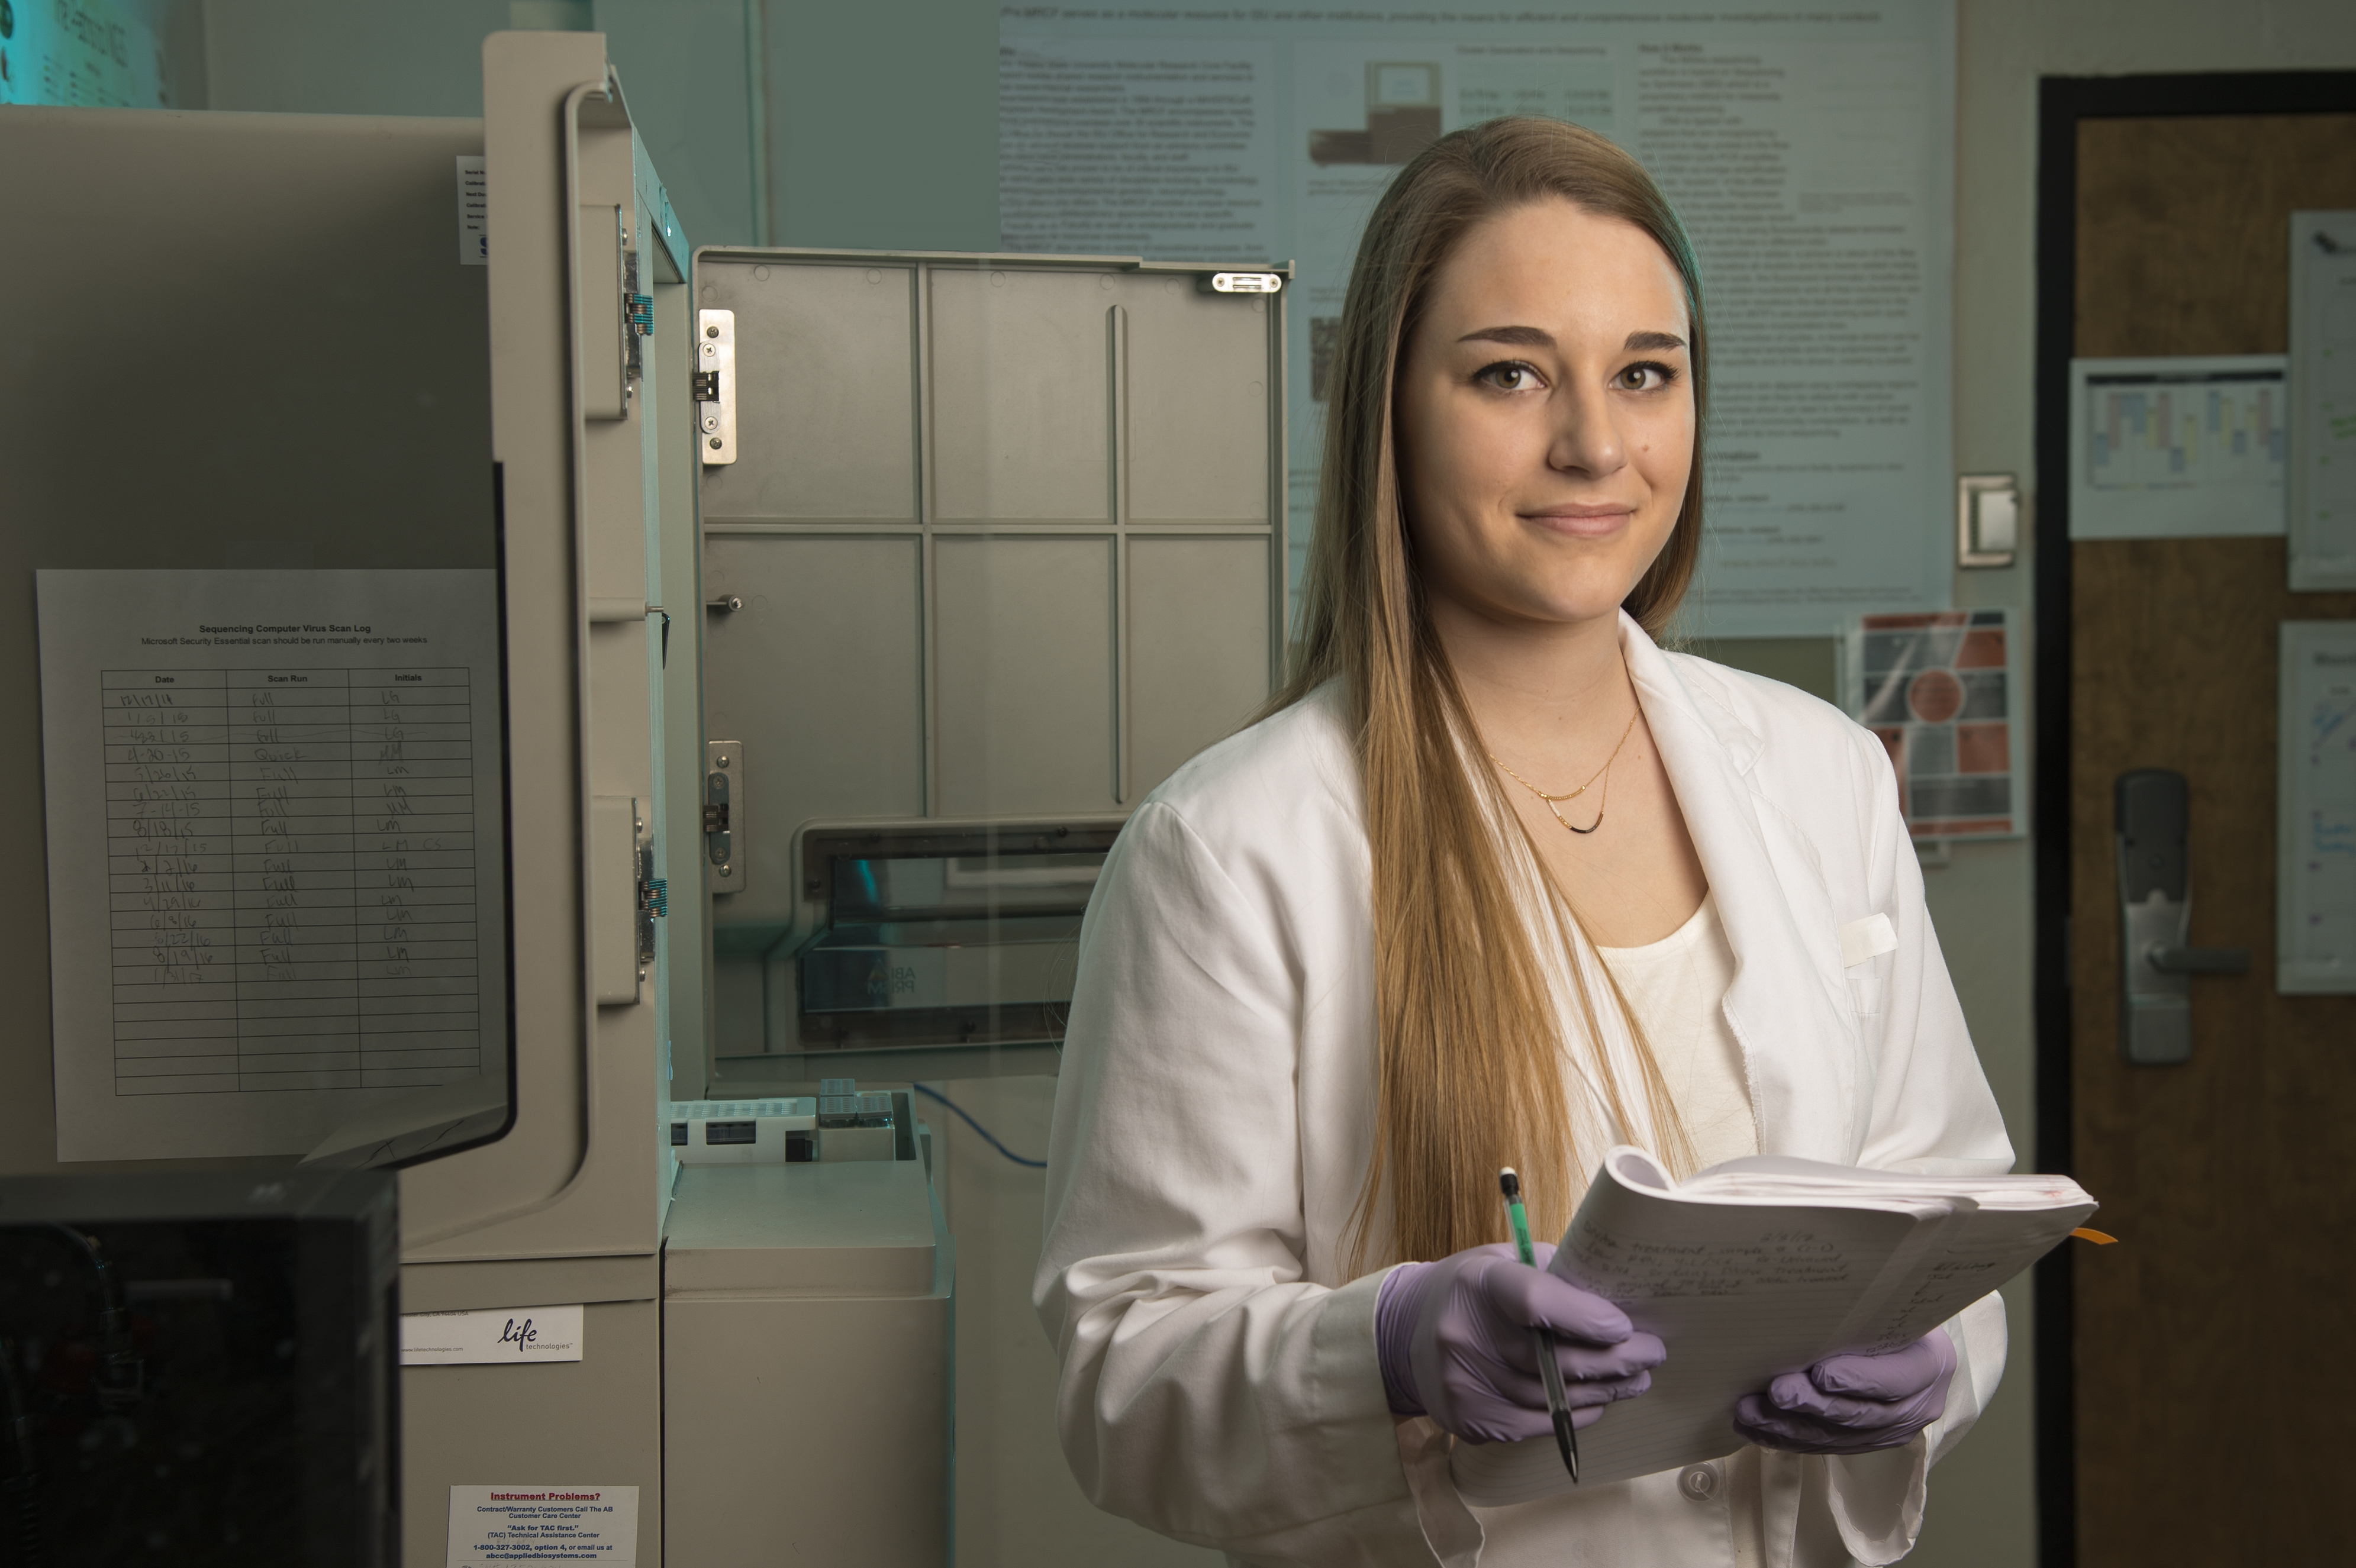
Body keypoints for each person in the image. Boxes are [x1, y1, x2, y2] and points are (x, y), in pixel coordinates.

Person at [1033, 117, 2010, 1568]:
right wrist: (1384, 1346)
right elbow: (1118, 1381)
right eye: (1508, 373)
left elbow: (1953, 1213)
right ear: (1390, 407)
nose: (1595, 443)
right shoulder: (1230, 849)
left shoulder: (1821, 775)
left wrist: (1934, 1365)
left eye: (1643, 374)